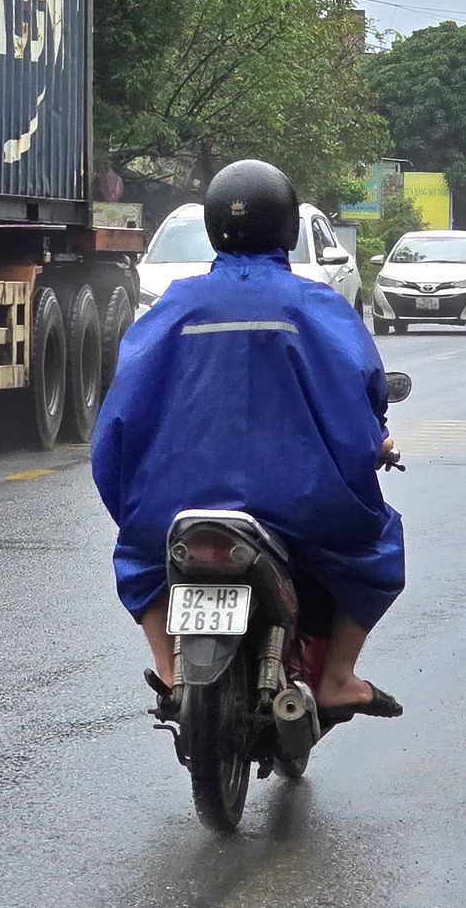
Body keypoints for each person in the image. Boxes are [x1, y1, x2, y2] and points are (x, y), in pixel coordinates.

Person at [92, 158, 405, 722]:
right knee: (377, 549)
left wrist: (133, 501)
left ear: (214, 227)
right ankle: (336, 678)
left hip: (172, 507)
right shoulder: (313, 303)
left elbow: (118, 416)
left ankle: (169, 673)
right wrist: (373, 443)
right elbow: (364, 389)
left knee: (139, 556)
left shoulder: (175, 305)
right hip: (304, 505)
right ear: (287, 226)